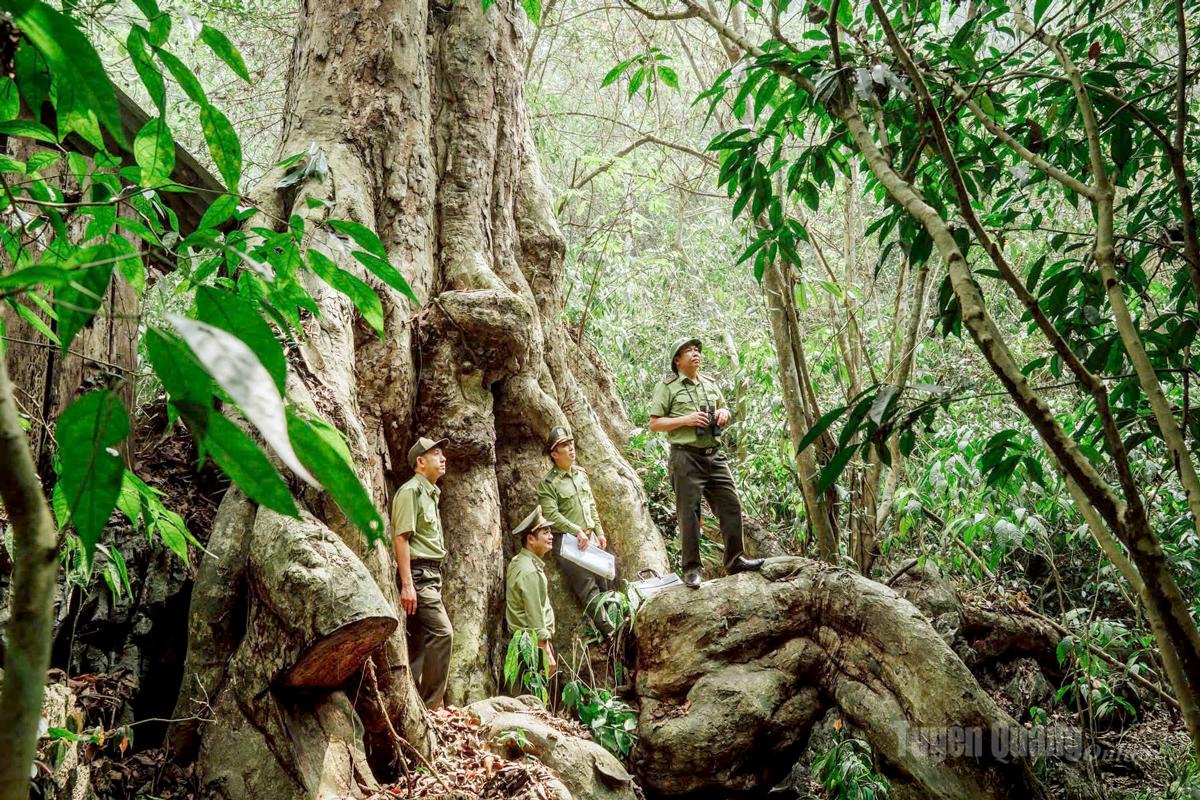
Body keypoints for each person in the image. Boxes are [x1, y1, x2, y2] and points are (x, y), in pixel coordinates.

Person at [648, 337, 763, 589]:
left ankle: (735, 559)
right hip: (685, 456)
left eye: (697, 350)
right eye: (688, 351)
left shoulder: (709, 383)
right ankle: (691, 569)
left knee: (731, 505)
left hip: (714, 454)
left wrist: (724, 413)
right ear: (677, 360)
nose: (695, 353)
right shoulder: (667, 386)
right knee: (689, 513)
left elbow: (724, 410)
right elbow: (655, 423)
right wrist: (685, 420)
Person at [537, 426, 617, 637]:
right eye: (564, 446)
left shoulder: (581, 475)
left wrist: (598, 532)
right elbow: (551, 515)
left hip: (589, 537)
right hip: (568, 542)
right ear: (554, 454)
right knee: (588, 589)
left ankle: (618, 625)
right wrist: (576, 531)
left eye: (571, 444)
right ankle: (611, 633)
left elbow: (591, 506)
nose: (571, 449)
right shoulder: (548, 484)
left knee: (604, 582)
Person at [391, 435, 453, 708]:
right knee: (443, 633)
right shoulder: (410, 492)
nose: (443, 459)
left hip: (431, 575)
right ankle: (432, 704)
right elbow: (401, 538)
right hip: (418, 575)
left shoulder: (430, 493)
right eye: (436, 454)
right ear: (420, 461)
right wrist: (407, 584)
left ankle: (415, 703)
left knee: (418, 643)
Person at [505, 506, 557, 678]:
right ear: (530, 539)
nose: (551, 537)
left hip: (526, 641)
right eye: (545, 533)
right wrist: (546, 651)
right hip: (532, 645)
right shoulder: (530, 571)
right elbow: (534, 614)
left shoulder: (519, 561)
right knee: (534, 698)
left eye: (550, 532)